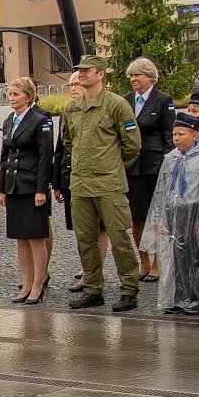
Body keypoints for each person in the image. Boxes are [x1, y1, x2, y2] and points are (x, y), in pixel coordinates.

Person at [60, 61, 140, 312]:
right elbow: (68, 142)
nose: (81, 74)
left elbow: (132, 145)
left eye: (86, 71)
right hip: (81, 184)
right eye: (79, 71)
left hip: (109, 184)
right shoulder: (72, 108)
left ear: (100, 74)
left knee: (119, 237)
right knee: (85, 239)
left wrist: (111, 165)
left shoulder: (116, 104)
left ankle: (129, 289)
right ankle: (93, 288)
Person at [145, 112, 199, 315]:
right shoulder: (170, 159)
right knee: (175, 257)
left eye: (181, 134)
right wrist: (160, 217)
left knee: (195, 258)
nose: (176, 138)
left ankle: (196, 299)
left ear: (194, 135)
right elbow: (161, 190)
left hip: (195, 209)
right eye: (174, 134)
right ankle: (178, 296)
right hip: (174, 210)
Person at [0, 76, 55, 304]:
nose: (12, 98)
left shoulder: (40, 120)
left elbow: (45, 158)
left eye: (16, 94)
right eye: (10, 94)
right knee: (20, 238)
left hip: (32, 186)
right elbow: (4, 158)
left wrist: (42, 189)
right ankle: (27, 281)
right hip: (13, 186)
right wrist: (1, 188)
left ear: (29, 96)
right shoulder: (9, 121)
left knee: (35, 238)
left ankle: (38, 284)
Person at [122, 58, 174, 284]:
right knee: (136, 216)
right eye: (132, 75)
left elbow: (169, 135)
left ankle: (158, 263)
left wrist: (168, 164)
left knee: (158, 217)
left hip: (155, 166)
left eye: (139, 75)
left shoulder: (163, 100)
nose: (134, 79)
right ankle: (143, 261)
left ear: (150, 77)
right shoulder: (126, 101)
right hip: (133, 167)